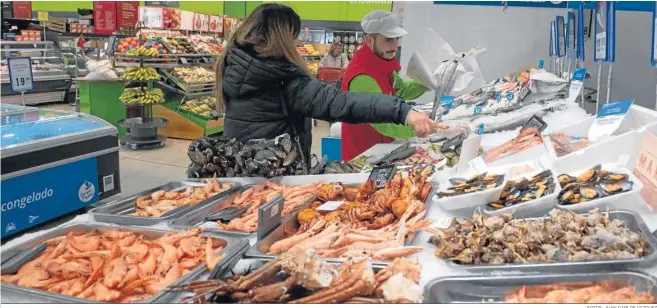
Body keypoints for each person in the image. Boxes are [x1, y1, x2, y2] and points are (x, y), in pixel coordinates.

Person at [216, 3, 440, 166]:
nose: (298, 43)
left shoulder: (235, 67)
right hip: (275, 173)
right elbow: (342, 103)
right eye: (295, 37)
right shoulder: (283, 80)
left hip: (244, 168)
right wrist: (404, 113)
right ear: (283, 39)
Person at [340, 10, 467, 161]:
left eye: (397, 39)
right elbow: (384, 122)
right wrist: (428, 128)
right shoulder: (361, 76)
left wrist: (431, 81)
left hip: (383, 149)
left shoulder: (381, 63)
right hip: (363, 155)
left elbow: (401, 89)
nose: (395, 46)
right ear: (369, 40)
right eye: (388, 40)